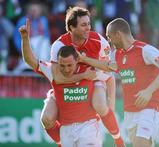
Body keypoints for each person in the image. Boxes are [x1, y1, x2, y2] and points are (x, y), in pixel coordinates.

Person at [78, 18, 159, 147]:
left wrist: (148, 91)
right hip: (130, 113)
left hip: (149, 108)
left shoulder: (144, 49)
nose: (109, 41)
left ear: (118, 34)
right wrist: (84, 59)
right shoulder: (117, 54)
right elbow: (107, 66)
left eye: (109, 36)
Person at [41, 6, 124, 147]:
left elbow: (112, 67)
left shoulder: (98, 40)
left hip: (92, 78)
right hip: (67, 85)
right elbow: (58, 78)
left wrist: (85, 61)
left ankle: (118, 140)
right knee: (47, 119)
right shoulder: (59, 45)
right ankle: (62, 143)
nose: (88, 28)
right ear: (71, 28)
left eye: (89, 24)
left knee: (100, 105)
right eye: (84, 25)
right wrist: (83, 74)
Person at [19, 18, 105, 147]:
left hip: (88, 127)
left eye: (69, 65)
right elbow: (30, 60)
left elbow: (109, 72)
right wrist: (25, 38)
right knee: (46, 118)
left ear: (77, 61)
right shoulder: (53, 71)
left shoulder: (90, 70)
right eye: (62, 65)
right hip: (66, 129)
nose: (66, 69)